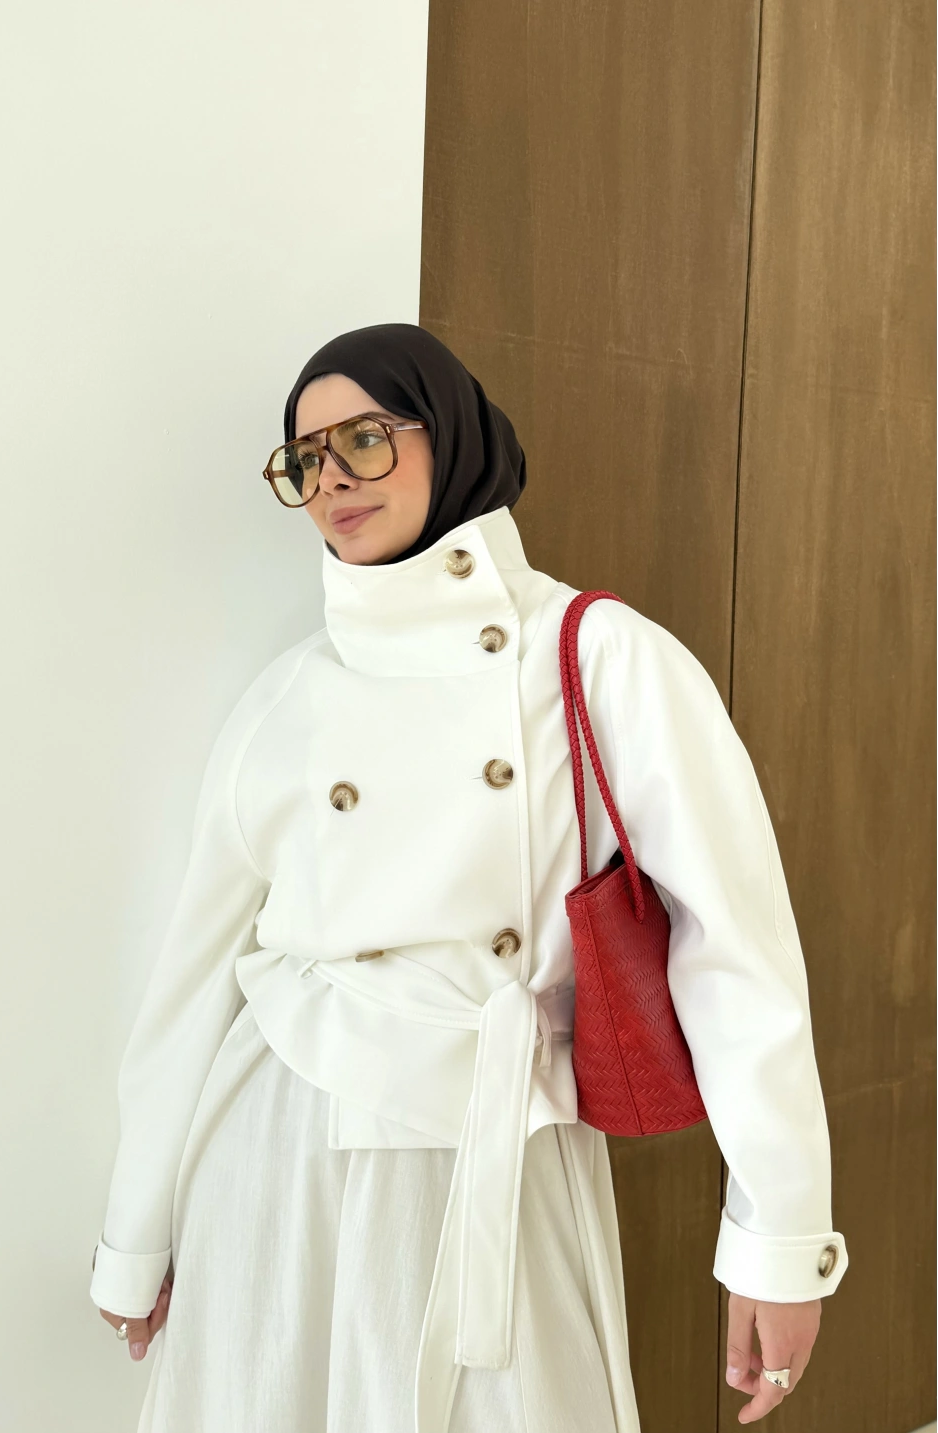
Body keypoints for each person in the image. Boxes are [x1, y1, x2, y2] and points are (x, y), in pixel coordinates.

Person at [89, 322, 849, 1432]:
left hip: (498, 1143)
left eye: (364, 438)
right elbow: (193, 982)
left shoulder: (598, 653)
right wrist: (138, 1230)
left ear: (449, 435)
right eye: (304, 459)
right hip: (278, 1155)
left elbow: (735, 952)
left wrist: (778, 1239)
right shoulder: (287, 697)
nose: (331, 478)